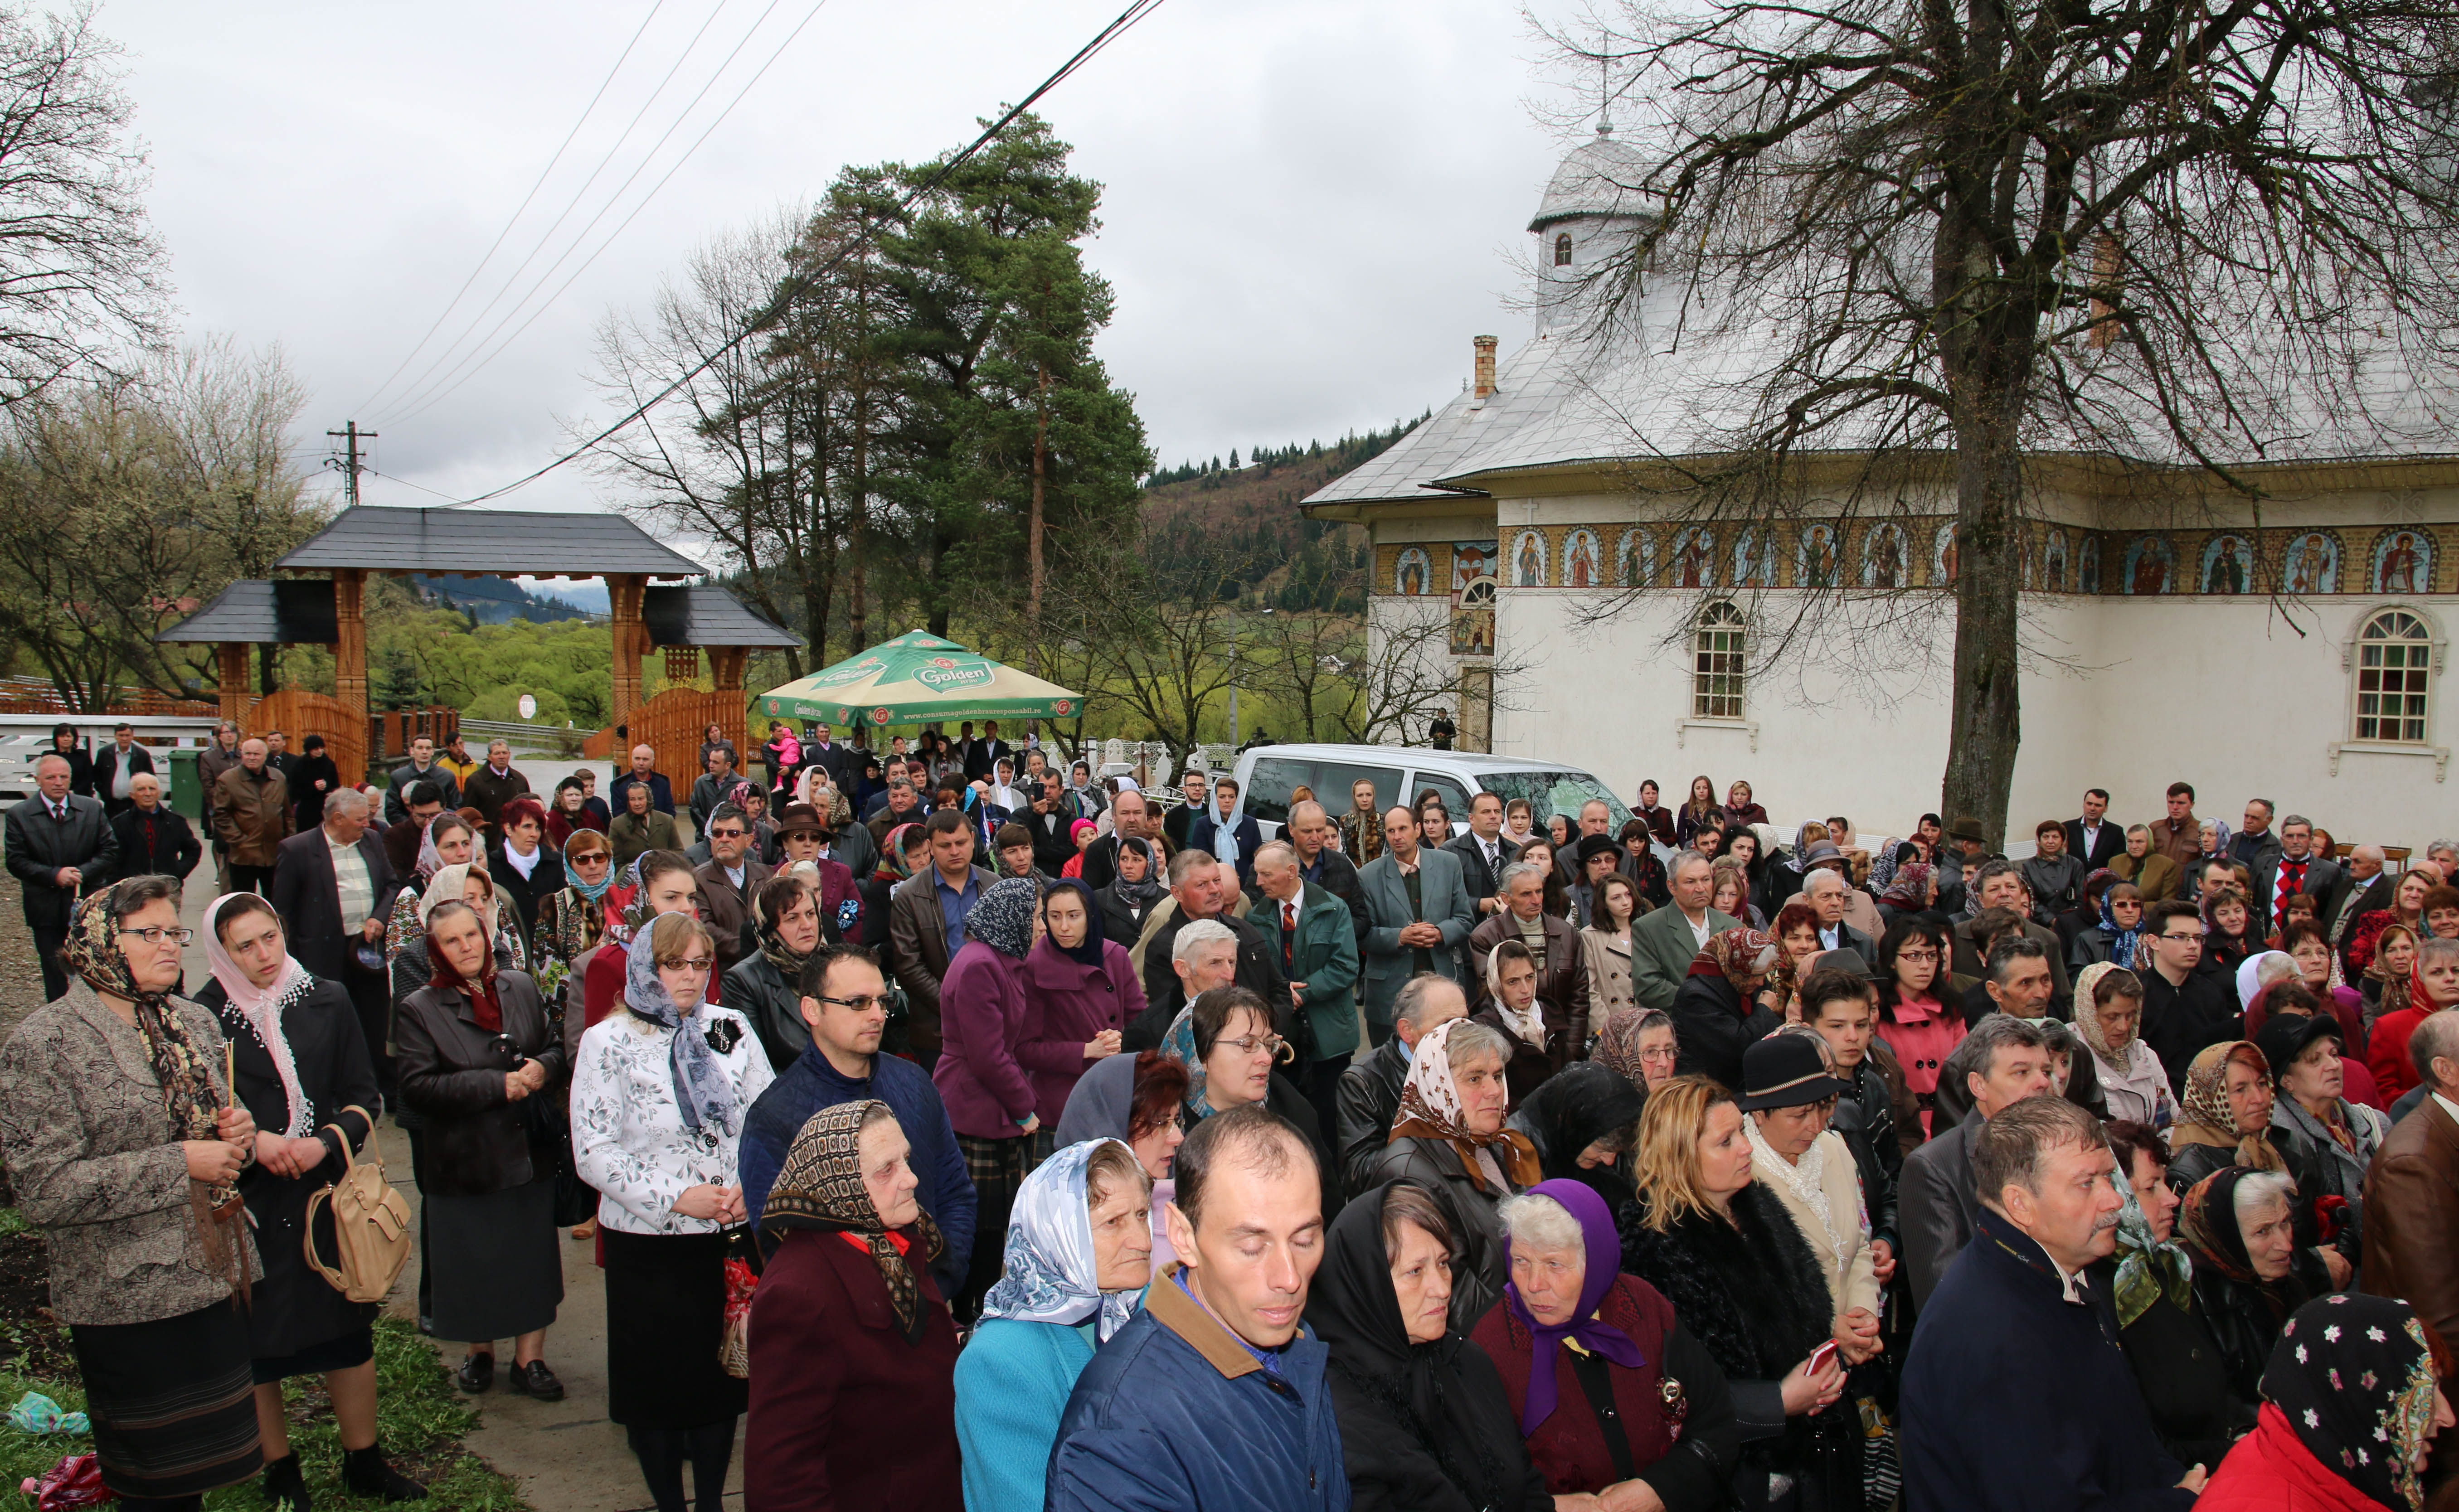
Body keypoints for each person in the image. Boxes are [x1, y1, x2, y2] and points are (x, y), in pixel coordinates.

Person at [0, 878, 262, 1509]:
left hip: (210, 1282)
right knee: (154, 1487)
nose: (171, 945)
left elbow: (222, 1137)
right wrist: (182, 1163)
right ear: (98, 943)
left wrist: (241, 1136)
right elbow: (44, 1190)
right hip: (126, 1300)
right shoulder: (45, 1043)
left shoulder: (191, 1022)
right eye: (150, 933)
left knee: (197, 1480)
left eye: (175, 932)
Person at [191, 893, 423, 1507]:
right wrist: (256, 1142)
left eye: (269, 937)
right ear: (222, 952)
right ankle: (279, 1467)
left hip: (325, 1196)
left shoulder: (327, 998)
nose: (263, 955)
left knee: (346, 1332)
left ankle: (364, 1459)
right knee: (258, 1343)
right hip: (251, 1199)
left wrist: (323, 1142)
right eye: (244, 946)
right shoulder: (204, 1017)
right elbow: (198, 1110)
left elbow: (363, 1095)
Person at [1900, 1095, 2203, 1510]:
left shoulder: (2054, 1273)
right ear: (2020, 1204)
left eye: (2108, 1177)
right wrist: (2180, 1503)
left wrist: (2176, 1485)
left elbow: (2122, 1437)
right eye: (2087, 1183)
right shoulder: (1993, 1336)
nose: (2115, 1200)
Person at [1045, 1104, 1346, 1512]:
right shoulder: (1117, 1431)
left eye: (1305, 1241)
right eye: (1252, 1247)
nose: (1290, 1278)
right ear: (1183, 1237)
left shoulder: (1296, 1346)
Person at [573, 911, 773, 1512]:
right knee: (656, 1390)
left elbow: (767, 1119)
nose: (689, 976)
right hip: (650, 1247)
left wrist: (749, 1184)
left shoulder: (730, 1028)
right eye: (673, 964)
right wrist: (673, 1197)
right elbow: (592, 1149)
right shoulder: (608, 1041)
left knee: (719, 1386)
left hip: (725, 1237)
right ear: (645, 967)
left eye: (699, 963)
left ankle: (710, 1502)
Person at [1615, 1075, 1848, 1510]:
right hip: (1733, 1480)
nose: (1746, 1148)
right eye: (1726, 1142)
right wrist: (1777, 1402)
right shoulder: (1651, 1254)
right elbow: (1666, 1393)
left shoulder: (1758, 1207)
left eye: (1742, 1131)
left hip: (1808, 1458)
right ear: (1680, 1156)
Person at [743, 1098, 962, 1511]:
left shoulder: (885, 1241)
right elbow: (781, 1477)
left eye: (906, 1159)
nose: (912, 1178)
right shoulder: (798, 1296)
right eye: (886, 1170)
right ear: (837, 1185)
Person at [1472, 1181, 1741, 1510]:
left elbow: (1716, 1422)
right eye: (1521, 1261)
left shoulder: (1643, 1307)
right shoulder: (1486, 1347)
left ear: (1596, 1261)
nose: (1533, 1285)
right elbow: (1477, 1483)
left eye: (1554, 1265)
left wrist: (1661, 1491)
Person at [394, 897, 568, 1400]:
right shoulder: (419, 1009)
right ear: (435, 950)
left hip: (527, 1151)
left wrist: (543, 1068)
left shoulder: (519, 986)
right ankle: (480, 1350)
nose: (467, 947)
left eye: (472, 934)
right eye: (452, 940)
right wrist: (497, 1085)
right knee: (474, 1261)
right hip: (464, 1159)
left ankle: (530, 1359)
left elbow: (554, 1046)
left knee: (530, 1259)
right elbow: (417, 1087)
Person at [1307, 1178, 1553, 1512]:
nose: (1442, 1288)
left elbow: (1528, 1485)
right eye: (1415, 1271)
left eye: (1443, 1263)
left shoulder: (1464, 1360)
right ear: (1367, 1283)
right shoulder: (1334, 1411)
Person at [954, 1139, 1152, 1512]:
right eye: (1113, 1222)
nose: (1143, 1241)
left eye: (1142, 1215)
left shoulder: (1147, 1311)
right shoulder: (999, 1361)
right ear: (1060, 1234)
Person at [2198, 1294, 2455, 1512]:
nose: (2449, 1417)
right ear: (2358, 1399)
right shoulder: (2281, 1501)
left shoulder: (2313, 1468)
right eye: (2424, 1395)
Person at [2093, 1120, 2250, 1473]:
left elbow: (2216, 1377)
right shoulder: (2103, 1292)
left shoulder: (2168, 1262)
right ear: (2116, 1196)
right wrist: (2228, 1455)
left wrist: (2241, 1430)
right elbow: (2143, 1438)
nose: (2172, 1199)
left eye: (2166, 1183)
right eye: (2151, 1187)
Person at [928, 876, 1046, 1316]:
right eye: (1036, 917)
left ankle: (978, 1308)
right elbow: (988, 1056)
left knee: (992, 1227)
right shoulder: (981, 965)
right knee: (976, 1228)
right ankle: (966, 1315)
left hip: (987, 1103)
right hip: (973, 1109)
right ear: (1013, 918)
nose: (1042, 927)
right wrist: (1025, 1108)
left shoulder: (998, 959)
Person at [1373, 1017, 1541, 1323]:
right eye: (1475, 1079)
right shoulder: (1409, 1174)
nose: (1494, 1090)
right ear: (1438, 1086)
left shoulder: (1491, 1141)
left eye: (1497, 1075)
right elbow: (1455, 1301)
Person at [1738, 1034, 1883, 1373]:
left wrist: (1863, 1313)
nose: (1816, 1125)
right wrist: (1829, 1325)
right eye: (1799, 1114)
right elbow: (1754, 1285)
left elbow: (1858, 1246)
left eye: (1821, 1107)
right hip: (1785, 1364)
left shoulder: (1834, 1148)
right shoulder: (1739, 1174)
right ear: (1759, 1114)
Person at [1899, 1014, 2056, 1306]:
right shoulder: (1933, 1168)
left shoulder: (2070, 1150)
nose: (2042, 1082)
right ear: (1978, 1085)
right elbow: (1943, 1297)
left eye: (2046, 1071)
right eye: (2021, 1072)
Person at [268, 788, 402, 1100]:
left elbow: (391, 885)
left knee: (375, 1019)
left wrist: (379, 916)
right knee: (329, 1024)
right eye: (360, 819)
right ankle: (336, 1093)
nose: (367, 824)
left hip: (366, 949)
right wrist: (288, 961)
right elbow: (283, 913)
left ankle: (387, 1089)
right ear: (338, 819)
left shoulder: (371, 841)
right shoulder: (297, 849)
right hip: (322, 954)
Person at [2177, 1168, 2312, 1413]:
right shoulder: (2189, 1299)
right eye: (2263, 1231)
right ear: (2225, 1235)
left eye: (2285, 1222)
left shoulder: (2286, 1285)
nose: (2286, 1244)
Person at [1252, 840, 1361, 1139]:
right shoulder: (1257, 917)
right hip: (1283, 1035)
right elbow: (1257, 970)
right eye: (1258, 874)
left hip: (1329, 1034)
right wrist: (1281, 993)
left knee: (1328, 1120)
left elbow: (1345, 966)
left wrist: (1302, 993)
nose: (1259, 882)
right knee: (1286, 1123)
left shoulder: (1332, 909)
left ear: (1291, 871)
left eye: (1266, 875)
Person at [1336, 974, 1470, 1193]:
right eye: (1446, 1024)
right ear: (1407, 1031)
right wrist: (1434, 1140)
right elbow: (1358, 1174)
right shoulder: (1363, 1081)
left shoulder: (1478, 1065)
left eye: (1464, 1021)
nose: (1462, 1034)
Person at [5, 751, 121, 1001]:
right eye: (51, 778)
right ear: (38, 780)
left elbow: (110, 850)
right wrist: (54, 876)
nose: (58, 782)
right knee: (54, 971)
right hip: (44, 908)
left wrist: (83, 873)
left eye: (63, 777)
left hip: (87, 903)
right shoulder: (20, 815)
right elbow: (16, 861)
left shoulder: (91, 809)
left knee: (93, 966)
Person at [1360, 805, 1477, 1047]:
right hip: (1389, 992)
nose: (1397, 836)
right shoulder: (1368, 876)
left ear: (1417, 829)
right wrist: (1400, 937)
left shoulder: (1448, 864)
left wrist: (1440, 933)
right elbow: (1363, 934)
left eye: (1403, 829)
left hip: (1441, 984)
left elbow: (1465, 920)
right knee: (1390, 1061)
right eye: (1391, 831)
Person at [887, 809, 996, 1066]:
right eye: (945, 846)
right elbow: (909, 965)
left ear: (973, 839)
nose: (955, 851)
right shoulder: (909, 896)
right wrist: (954, 1003)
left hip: (993, 1016)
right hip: (937, 1030)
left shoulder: (993, 886)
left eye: (961, 843)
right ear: (930, 847)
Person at [1469, 860, 1592, 1056]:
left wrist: (1571, 1050)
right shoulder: (1486, 936)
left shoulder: (1567, 933)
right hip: (1513, 1049)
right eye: (1526, 894)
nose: (1536, 900)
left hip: (1562, 1043)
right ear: (1506, 898)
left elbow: (1579, 998)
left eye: (1539, 891)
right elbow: (1494, 998)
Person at [1508, 1059, 1648, 1208]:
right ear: (1573, 1130)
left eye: (1617, 1152)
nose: (1609, 1161)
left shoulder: (1612, 1135)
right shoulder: (1515, 1150)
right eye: (1600, 1149)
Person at [1668, 924, 1781, 1092]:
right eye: (1756, 976)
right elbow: (1737, 1047)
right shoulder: (1697, 996)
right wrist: (1764, 1010)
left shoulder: (1745, 982)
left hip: (1743, 1083)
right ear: (1737, 967)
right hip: (1707, 1090)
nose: (1760, 982)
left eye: (1764, 975)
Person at [1631, 854, 1739, 1013]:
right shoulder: (1649, 928)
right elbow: (1649, 987)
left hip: (1730, 1023)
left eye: (1706, 880)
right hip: (1678, 1024)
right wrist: (1706, 1001)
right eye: (1690, 882)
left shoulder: (1732, 926)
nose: (1701, 888)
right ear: (1672, 887)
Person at [214, 737, 291, 894]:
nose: (252, 758)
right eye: (248, 754)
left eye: (256, 754)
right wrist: (239, 841)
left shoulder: (278, 778)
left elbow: (287, 813)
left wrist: (290, 841)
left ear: (265, 756)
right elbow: (220, 814)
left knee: (275, 899)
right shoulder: (228, 780)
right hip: (243, 856)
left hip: (274, 853)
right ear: (242, 755)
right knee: (245, 900)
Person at [110, 770, 202, 886]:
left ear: (159, 793)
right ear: (132, 795)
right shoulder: (121, 823)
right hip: (133, 888)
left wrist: (178, 872)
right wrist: (119, 883)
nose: (148, 793)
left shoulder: (175, 822)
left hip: (167, 887)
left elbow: (193, 850)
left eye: (152, 789)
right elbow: (112, 857)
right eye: (141, 789)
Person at [1446, 789, 1521, 918]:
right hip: (1469, 926)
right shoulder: (1451, 851)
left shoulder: (1517, 851)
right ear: (1471, 818)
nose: (1493, 816)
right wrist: (1478, 904)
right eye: (1486, 812)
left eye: (1497, 812)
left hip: (1510, 926)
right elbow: (1443, 896)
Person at [1577, 871, 1642, 1020]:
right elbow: (1588, 989)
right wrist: (1605, 1027)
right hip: (1611, 1020)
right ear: (1604, 903)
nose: (1625, 902)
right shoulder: (1589, 936)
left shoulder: (1645, 930)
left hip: (1644, 1021)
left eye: (1628, 895)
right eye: (1616, 898)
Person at [1095, 832, 1167, 947]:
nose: (1129, 865)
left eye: (1136, 860)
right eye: (1124, 859)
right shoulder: (1100, 899)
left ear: (1149, 863)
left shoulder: (1166, 899)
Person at [384, 735, 462, 824]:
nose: (425, 752)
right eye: (420, 748)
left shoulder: (447, 776)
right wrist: (412, 826)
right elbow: (392, 810)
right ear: (411, 751)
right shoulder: (398, 777)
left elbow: (455, 807)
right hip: (407, 829)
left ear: (433, 752)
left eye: (428, 748)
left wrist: (438, 825)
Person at [461, 739, 530, 834]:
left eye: (504, 753)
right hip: (487, 836)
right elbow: (468, 814)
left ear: (509, 755)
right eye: (497, 753)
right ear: (489, 757)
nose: (502, 757)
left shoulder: (520, 780)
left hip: (515, 836)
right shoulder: (475, 781)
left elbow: (529, 811)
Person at [90, 722, 154, 818]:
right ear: (115, 736)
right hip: (111, 804)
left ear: (132, 736)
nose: (124, 739)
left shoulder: (142, 755)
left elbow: (150, 779)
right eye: (121, 735)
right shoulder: (104, 753)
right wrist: (105, 794)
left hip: (134, 803)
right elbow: (97, 776)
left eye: (127, 736)